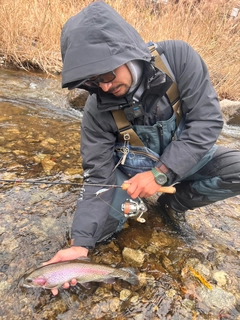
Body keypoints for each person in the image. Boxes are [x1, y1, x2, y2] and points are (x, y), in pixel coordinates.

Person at [44, 1, 240, 295]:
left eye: (107, 76)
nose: (105, 88)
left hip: (185, 161)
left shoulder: (179, 58)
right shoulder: (97, 111)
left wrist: (160, 175)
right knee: (101, 232)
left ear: (125, 53)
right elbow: (96, 177)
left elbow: (208, 122)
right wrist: (80, 243)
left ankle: (174, 205)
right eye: (93, 82)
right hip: (129, 176)